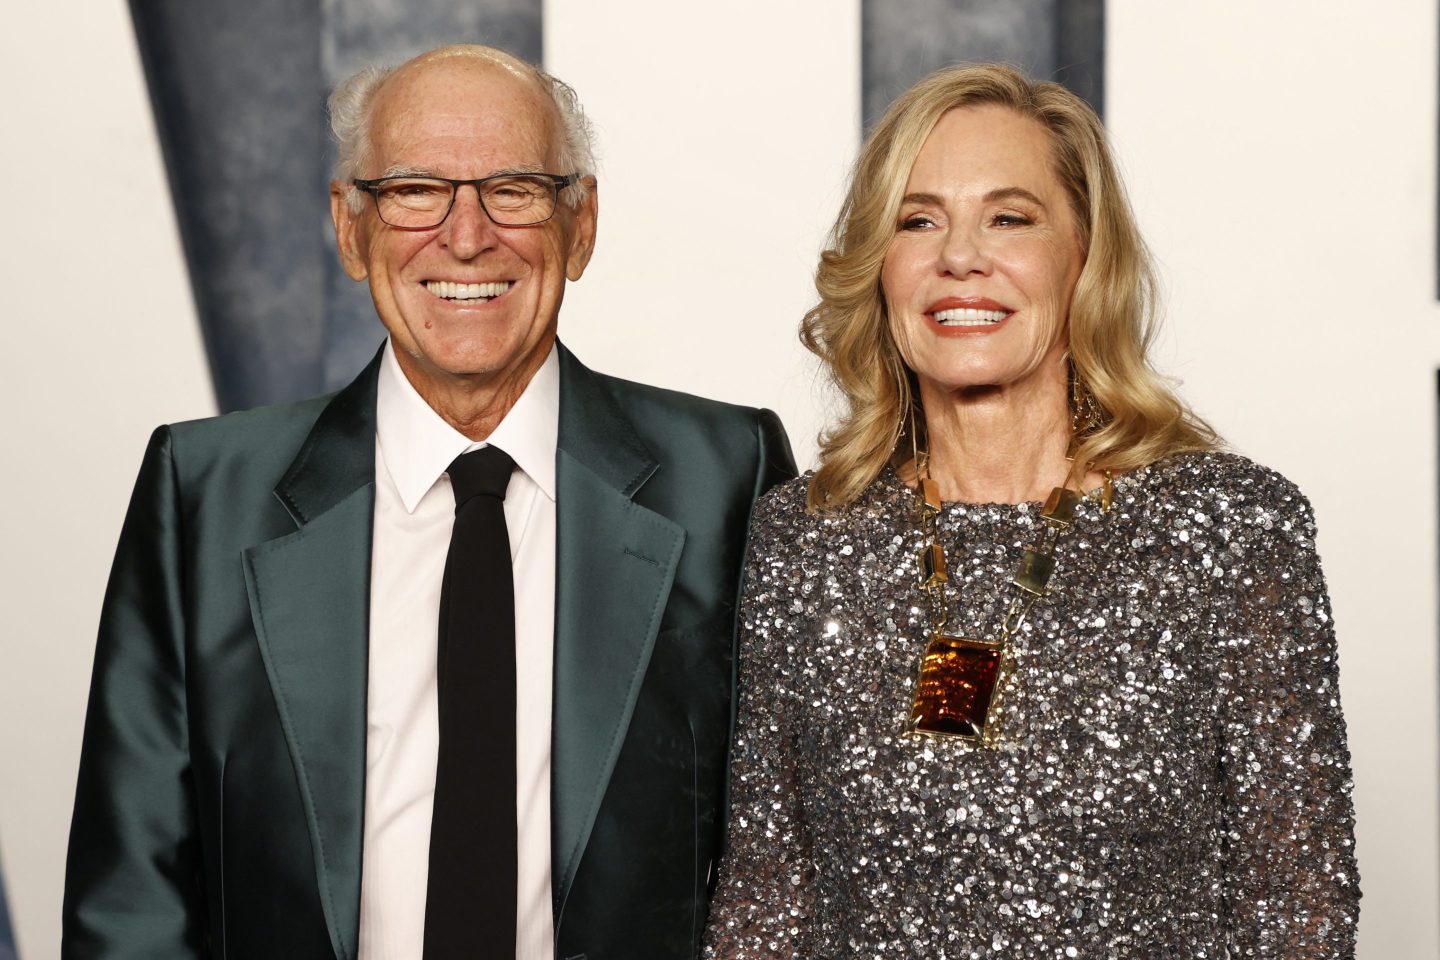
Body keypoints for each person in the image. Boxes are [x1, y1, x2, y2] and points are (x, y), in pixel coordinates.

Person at [64, 44, 794, 960]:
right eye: (414, 190)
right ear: (349, 226)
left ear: (581, 224)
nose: (465, 236)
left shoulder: (727, 479)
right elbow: (131, 906)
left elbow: (790, 861)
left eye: (515, 188)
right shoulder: (204, 495)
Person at [703, 64, 1359, 957]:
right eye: (918, 219)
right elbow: (764, 900)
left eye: (1009, 218)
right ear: (880, 266)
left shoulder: (1234, 529)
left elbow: (1298, 912)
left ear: (1085, 255)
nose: (959, 257)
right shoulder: (804, 536)